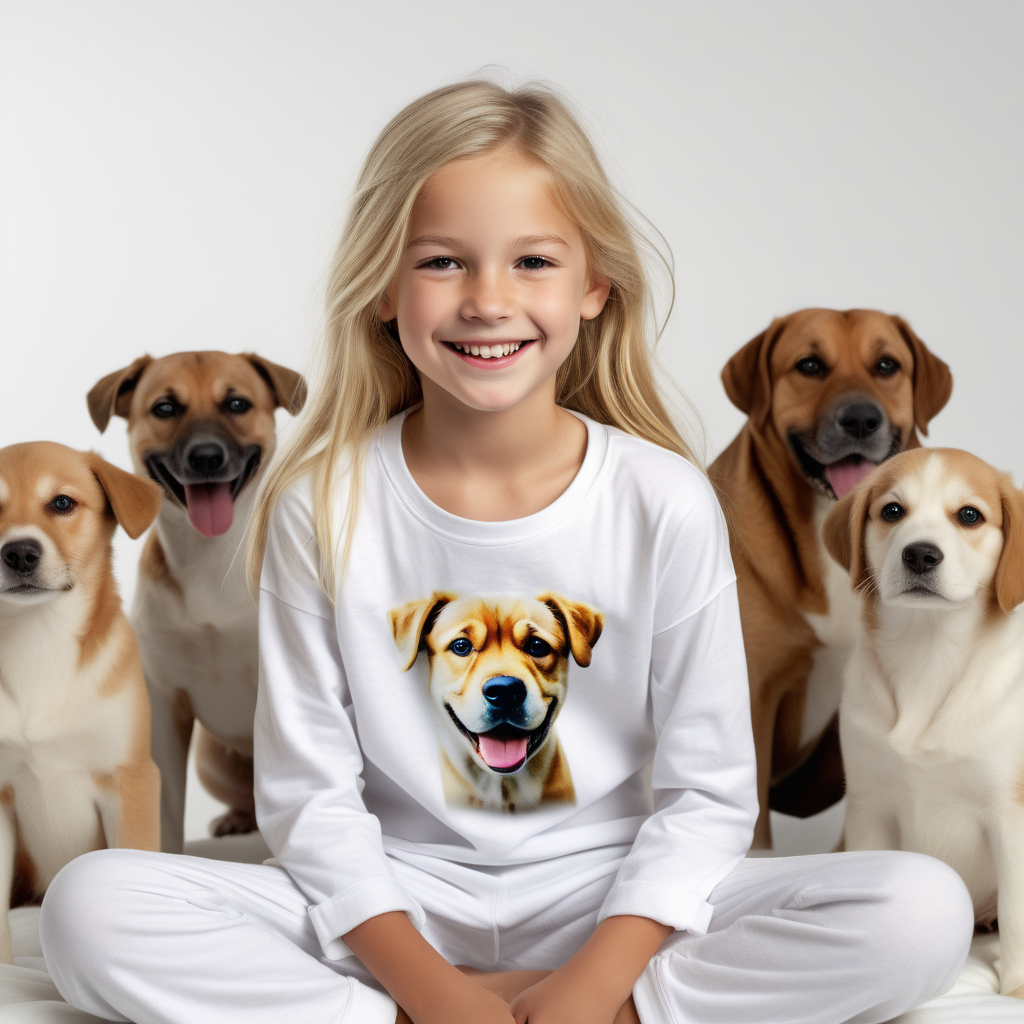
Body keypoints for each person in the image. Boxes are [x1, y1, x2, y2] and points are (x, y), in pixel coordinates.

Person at [39, 79, 973, 1024]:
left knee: (919, 912)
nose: (489, 301)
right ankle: (415, 1014)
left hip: (611, 896)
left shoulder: (665, 499)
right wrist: (431, 992)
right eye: (442, 261)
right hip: (392, 897)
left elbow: (709, 796)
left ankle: (605, 1009)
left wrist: (599, 980)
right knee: (89, 909)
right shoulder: (320, 503)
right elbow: (309, 799)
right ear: (381, 287)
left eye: (533, 261)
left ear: (593, 286)